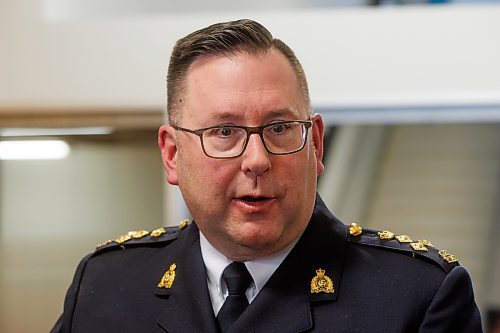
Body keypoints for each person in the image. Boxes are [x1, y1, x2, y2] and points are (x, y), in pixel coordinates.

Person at [51, 19, 482, 333]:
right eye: (224, 132)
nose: (256, 160)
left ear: (315, 143)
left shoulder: (417, 296)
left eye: (278, 129)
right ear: (171, 154)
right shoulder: (106, 285)